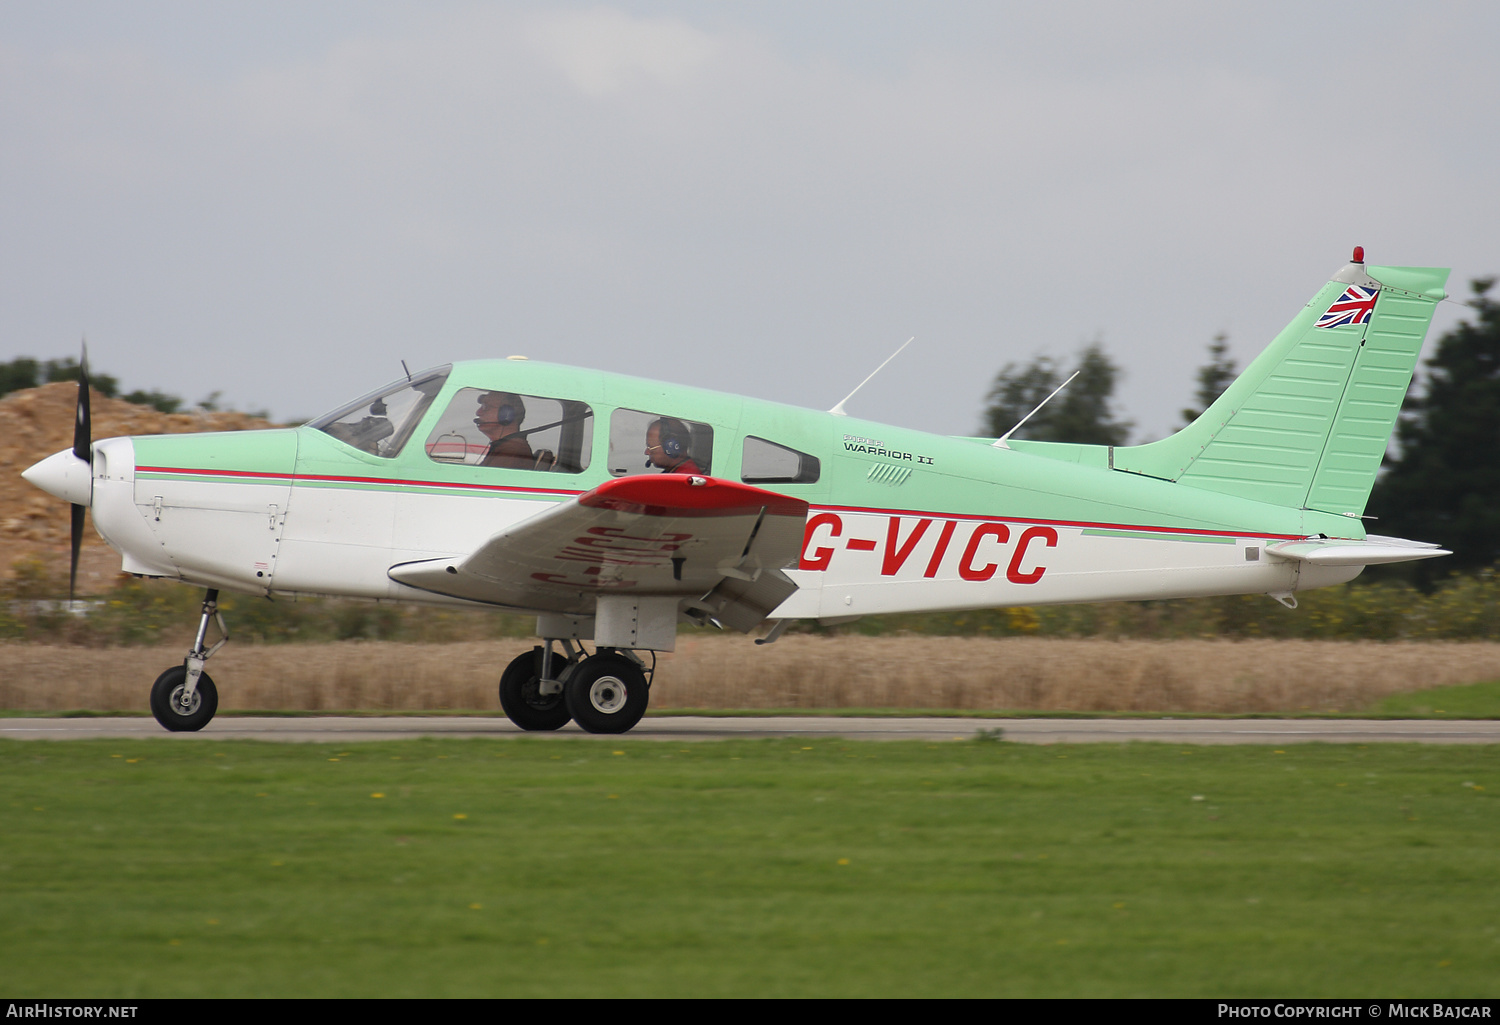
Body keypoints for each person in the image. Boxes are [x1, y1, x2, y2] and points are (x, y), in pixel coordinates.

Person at [476, 391, 535, 469]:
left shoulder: (511, 451)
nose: (478, 412)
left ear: (506, 415)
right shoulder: (504, 447)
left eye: (486, 407)